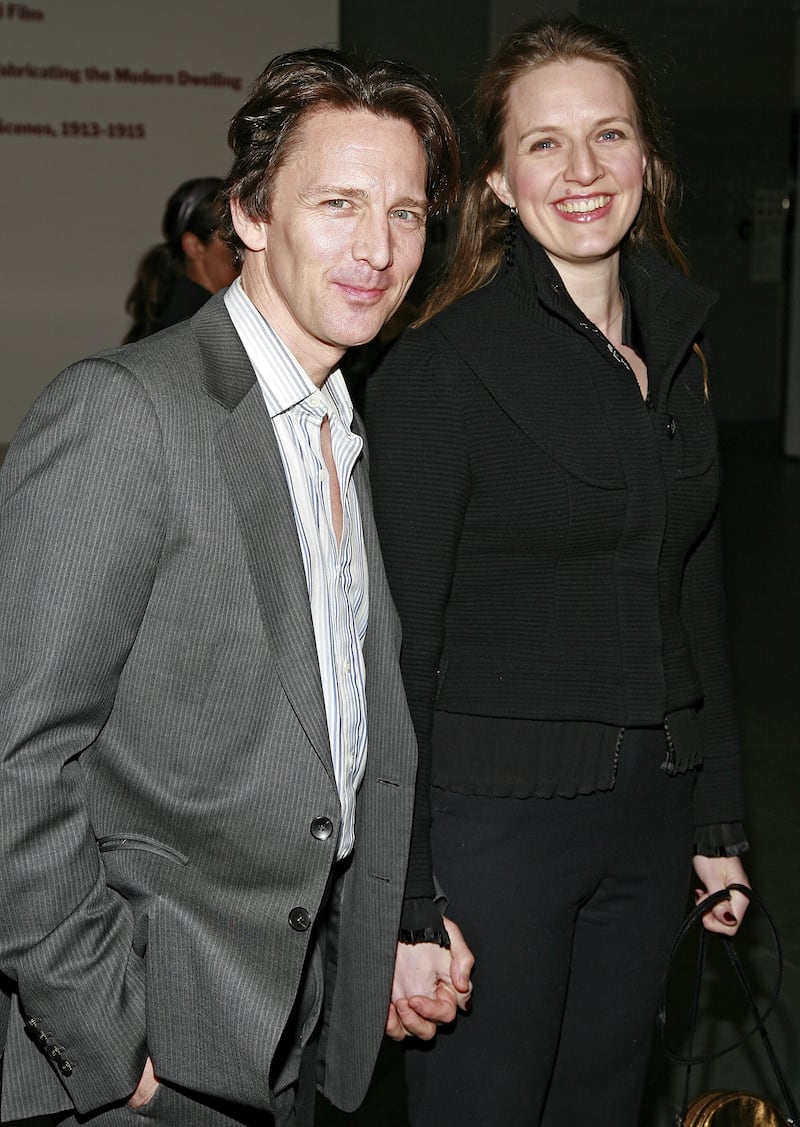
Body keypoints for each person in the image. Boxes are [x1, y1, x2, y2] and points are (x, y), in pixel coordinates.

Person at [0, 47, 472, 1127]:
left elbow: (346, 736)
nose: (377, 248)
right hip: (145, 1049)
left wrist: (382, 938)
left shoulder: (342, 422)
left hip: (291, 1020)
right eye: (338, 203)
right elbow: (16, 756)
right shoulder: (127, 411)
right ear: (251, 214)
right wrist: (107, 1041)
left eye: (405, 214)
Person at [365, 17, 749, 1127]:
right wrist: (405, 899)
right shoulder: (442, 370)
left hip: (648, 812)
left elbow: (694, 593)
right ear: (495, 179)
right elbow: (399, 650)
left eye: (607, 135)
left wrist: (715, 822)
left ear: (646, 161)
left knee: (603, 1101)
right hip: (494, 830)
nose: (580, 172)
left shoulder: (678, 352)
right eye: (543, 144)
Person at [123, 176, 238, 343]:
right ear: (193, 246)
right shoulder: (194, 326)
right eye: (231, 236)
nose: (244, 246)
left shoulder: (175, 313)